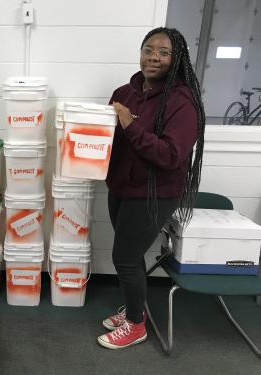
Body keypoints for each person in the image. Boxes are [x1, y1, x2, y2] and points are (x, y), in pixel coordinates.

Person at [97, 27, 205, 350]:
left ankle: (135, 325)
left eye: (163, 52)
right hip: (121, 187)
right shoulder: (124, 92)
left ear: (177, 59)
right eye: (148, 49)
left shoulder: (183, 102)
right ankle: (135, 307)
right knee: (131, 255)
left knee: (125, 257)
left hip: (156, 193)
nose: (153, 57)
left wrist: (131, 125)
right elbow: (108, 139)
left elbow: (171, 155)